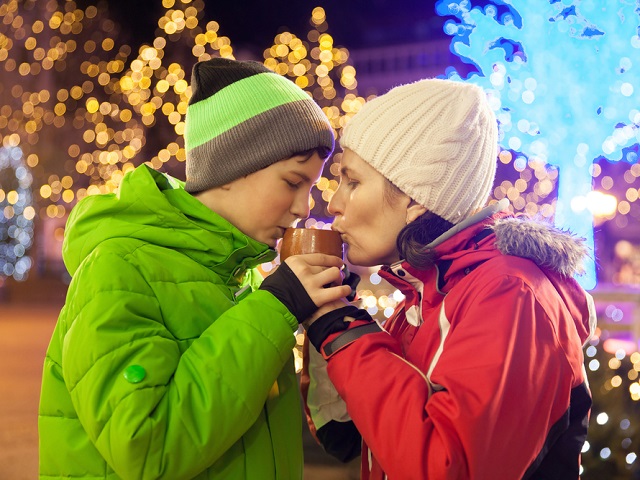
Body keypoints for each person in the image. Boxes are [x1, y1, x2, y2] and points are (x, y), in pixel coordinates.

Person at [38, 57, 352, 479]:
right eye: (293, 182)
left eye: (311, 188)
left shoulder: (240, 279)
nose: (304, 206)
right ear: (231, 167)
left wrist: (323, 323)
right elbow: (149, 446)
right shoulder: (118, 269)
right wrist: (276, 306)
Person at [301, 78, 596, 479]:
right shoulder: (427, 296)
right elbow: (345, 436)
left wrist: (341, 330)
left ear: (415, 197)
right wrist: (330, 316)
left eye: (352, 181)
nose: (333, 203)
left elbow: (442, 466)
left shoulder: (509, 293)